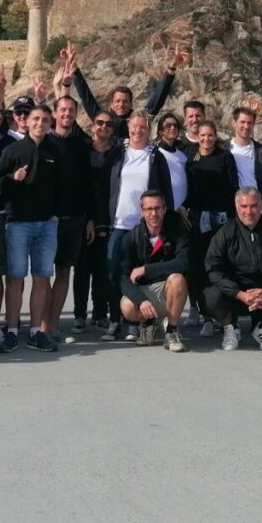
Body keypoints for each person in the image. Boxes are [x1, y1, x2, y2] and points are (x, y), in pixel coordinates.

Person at [0, 104, 65, 353]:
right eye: (35, 119)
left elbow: (64, 187)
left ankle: (35, 331)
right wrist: (13, 180)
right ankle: (11, 331)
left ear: (49, 123)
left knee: (42, 277)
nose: (40, 123)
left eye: (44, 120)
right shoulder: (12, 151)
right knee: (15, 278)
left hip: (46, 225)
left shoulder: (55, 151)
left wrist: (56, 214)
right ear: (27, 122)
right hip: (18, 224)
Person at [102, 111, 173, 341]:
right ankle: (116, 320)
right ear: (129, 128)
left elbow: (166, 190)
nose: (138, 130)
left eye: (143, 127)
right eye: (134, 126)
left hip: (145, 226)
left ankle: (135, 322)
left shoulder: (155, 156)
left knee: (139, 274)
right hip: (119, 224)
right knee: (115, 271)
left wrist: (166, 221)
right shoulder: (118, 153)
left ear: (149, 130)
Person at [202, 187, 262, 352]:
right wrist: (240, 294)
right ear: (236, 207)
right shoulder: (224, 233)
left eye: (253, 206)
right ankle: (231, 327)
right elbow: (213, 269)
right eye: (244, 206)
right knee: (209, 295)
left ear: (261, 207)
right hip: (236, 296)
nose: (249, 211)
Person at [46, 95, 94, 341]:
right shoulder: (43, 142)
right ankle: (40, 325)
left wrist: (88, 219)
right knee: (43, 275)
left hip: (75, 219)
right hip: (46, 220)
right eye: (62, 109)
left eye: (71, 110)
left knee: (64, 272)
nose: (66, 113)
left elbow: (87, 185)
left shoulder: (81, 146)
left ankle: (53, 325)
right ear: (55, 113)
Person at [184, 119, 238, 337]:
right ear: (197, 137)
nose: (206, 139)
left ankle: (223, 316)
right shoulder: (192, 160)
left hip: (222, 220)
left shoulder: (225, 158)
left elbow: (234, 187)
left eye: (210, 135)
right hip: (198, 221)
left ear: (216, 137)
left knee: (220, 266)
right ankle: (205, 316)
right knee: (198, 268)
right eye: (202, 135)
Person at [68, 41, 185, 142]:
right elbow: (86, 97)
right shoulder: (104, 120)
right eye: (117, 101)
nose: (121, 105)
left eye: (125, 101)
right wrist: (75, 71)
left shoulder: (139, 119)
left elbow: (158, 99)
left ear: (131, 103)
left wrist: (171, 69)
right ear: (111, 104)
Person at [117, 190, 189, 352]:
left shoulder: (176, 231)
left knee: (178, 279)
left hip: (167, 290)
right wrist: (141, 300)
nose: (153, 213)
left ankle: (171, 331)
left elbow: (183, 263)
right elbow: (122, 277)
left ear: (164, 209)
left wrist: (146, 269)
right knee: (127, 306)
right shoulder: (131, 238)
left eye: (157, 208)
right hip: (145, 293)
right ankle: (148, 322)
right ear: (142, 211)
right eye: (149, 209)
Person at [71, 110, 114, 334]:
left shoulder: (117, 154)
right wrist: (87, 218)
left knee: (102, 268)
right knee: (82, 269)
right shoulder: (82, 151)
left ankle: (100, 313)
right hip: (85, 215)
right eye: (99, 123)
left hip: (107, 216)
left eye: (108, 124)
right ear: (92, 126)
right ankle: (79, 314)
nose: (103, 127)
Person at [155, 111, 189, 213]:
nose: (173, 128)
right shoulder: (155, 154)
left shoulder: (182, 156)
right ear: (160, 131)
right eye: (168, 126)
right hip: (163, 210)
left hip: (183, 210)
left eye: (175, 125)